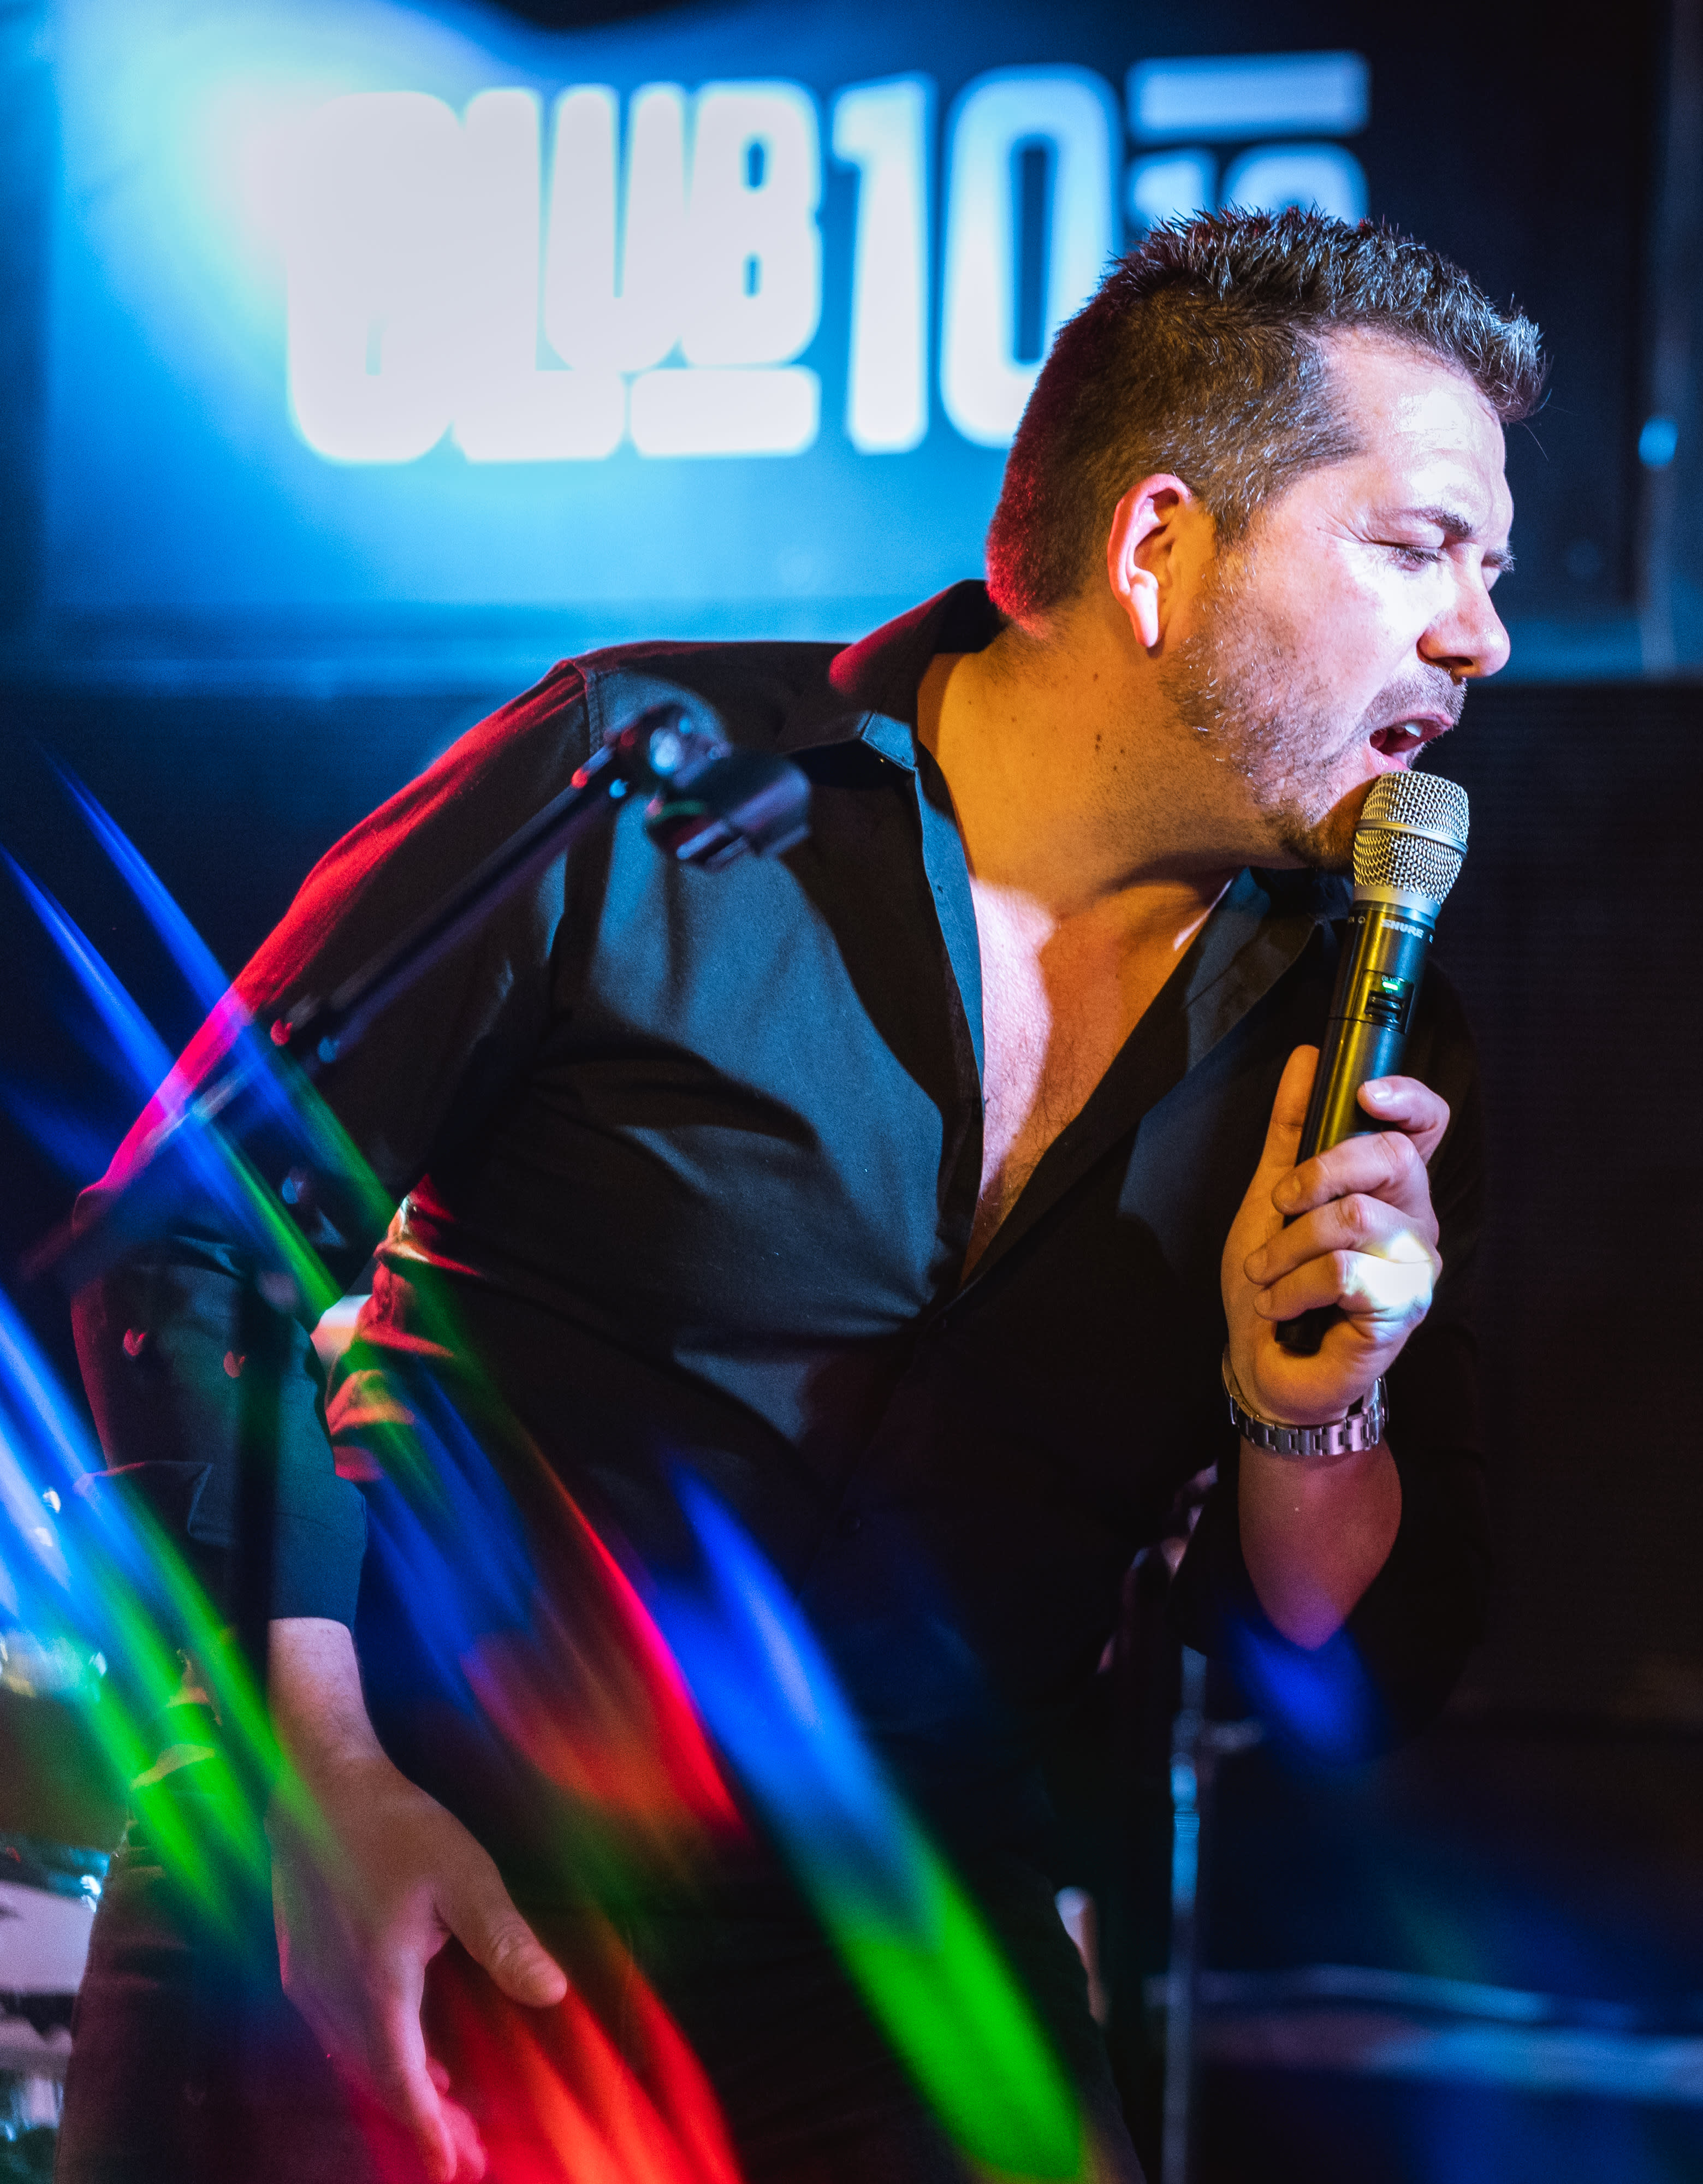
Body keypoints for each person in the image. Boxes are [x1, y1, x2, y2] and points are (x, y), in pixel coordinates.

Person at [56, 208, 1535, 2183]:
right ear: (1158, 550)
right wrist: (314, 1778)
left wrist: (1310, 1415)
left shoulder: (1351, 1023)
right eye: (1420, 548)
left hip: (895, 1949)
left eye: (1494, 573)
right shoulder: (646, 781)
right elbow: (193, 1241)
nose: (1480, 636)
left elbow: (1341, 1656)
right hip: (406, 1832)